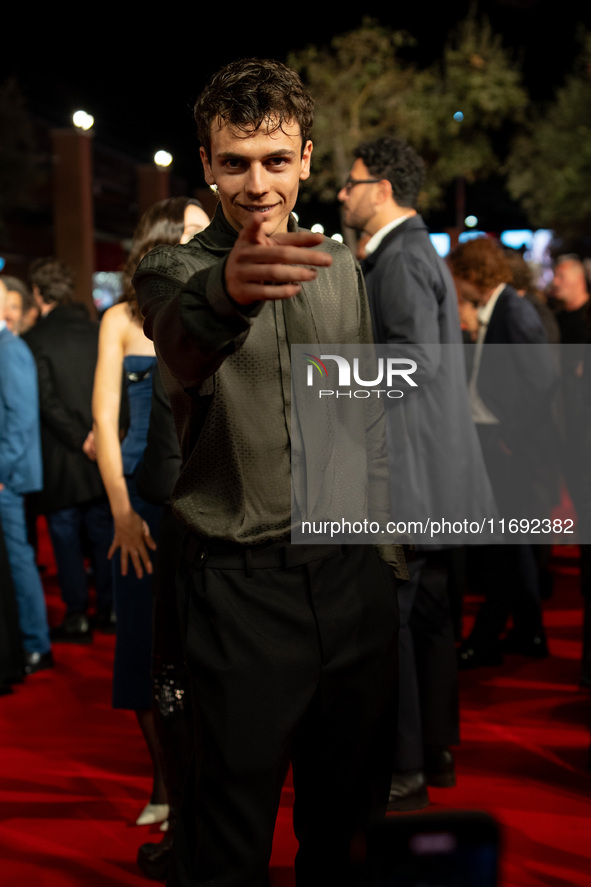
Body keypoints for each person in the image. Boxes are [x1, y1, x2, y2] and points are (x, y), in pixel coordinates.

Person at [133, 58, 406, 887]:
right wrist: (227, 293)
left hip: (350, 582)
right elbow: (183, 337)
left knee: (351, 836)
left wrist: (384, 565)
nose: (257, 183)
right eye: (235, 162)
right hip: (239, 595)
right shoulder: (173, 272)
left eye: (275, 160)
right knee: (227, 845)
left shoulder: (343, 270)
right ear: (208, 166)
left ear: (307, 159)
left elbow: (364, 420)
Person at [338, 135, 494, 812]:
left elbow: (413, 366)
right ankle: (432, 751)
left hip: (411, 479)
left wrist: (326, 376)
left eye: (351, 181)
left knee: (396, 623)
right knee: (429, 620)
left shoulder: (399, 258)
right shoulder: (416, 252)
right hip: (437, 475)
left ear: (383, 188)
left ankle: (402, 765)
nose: (341, 192)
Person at [92, 197, 209, 832]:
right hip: (137, 499)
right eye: (193, 229)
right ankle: (165, 785)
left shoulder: (217, 309)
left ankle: (198, 788)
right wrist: (120, 513)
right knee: (143, 647)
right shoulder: (118, 321)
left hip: (206, 492)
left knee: (200, 647)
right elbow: (104, 425)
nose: (204, 237)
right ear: (163, 238)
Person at [448, 236, 559, 668]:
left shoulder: (513, 310)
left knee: (503, 551)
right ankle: (528, 633)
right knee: (512, 548)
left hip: (509, 448)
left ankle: (487, 637)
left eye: (459, 277)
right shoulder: (501, 311)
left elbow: (544, 378)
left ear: (474, 276)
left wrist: (511, 437)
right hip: (500, 443)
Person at [22, 258, 114, 643]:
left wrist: (79, 438)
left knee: (66, 540)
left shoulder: (33, 340)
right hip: (99, 450)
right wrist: (97, 434)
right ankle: (109, 610)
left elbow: (44, 400)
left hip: (61, 458)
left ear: (38, 294)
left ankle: (76, 615)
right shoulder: (96, 332)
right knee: (103, 534)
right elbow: (113, 388)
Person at [0, 278, 53, 677]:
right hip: (9, 472)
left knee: (18, 560)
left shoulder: (10, 350)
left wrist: (1, 471)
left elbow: (21, 420)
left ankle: (36, 643)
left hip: (8, 476)